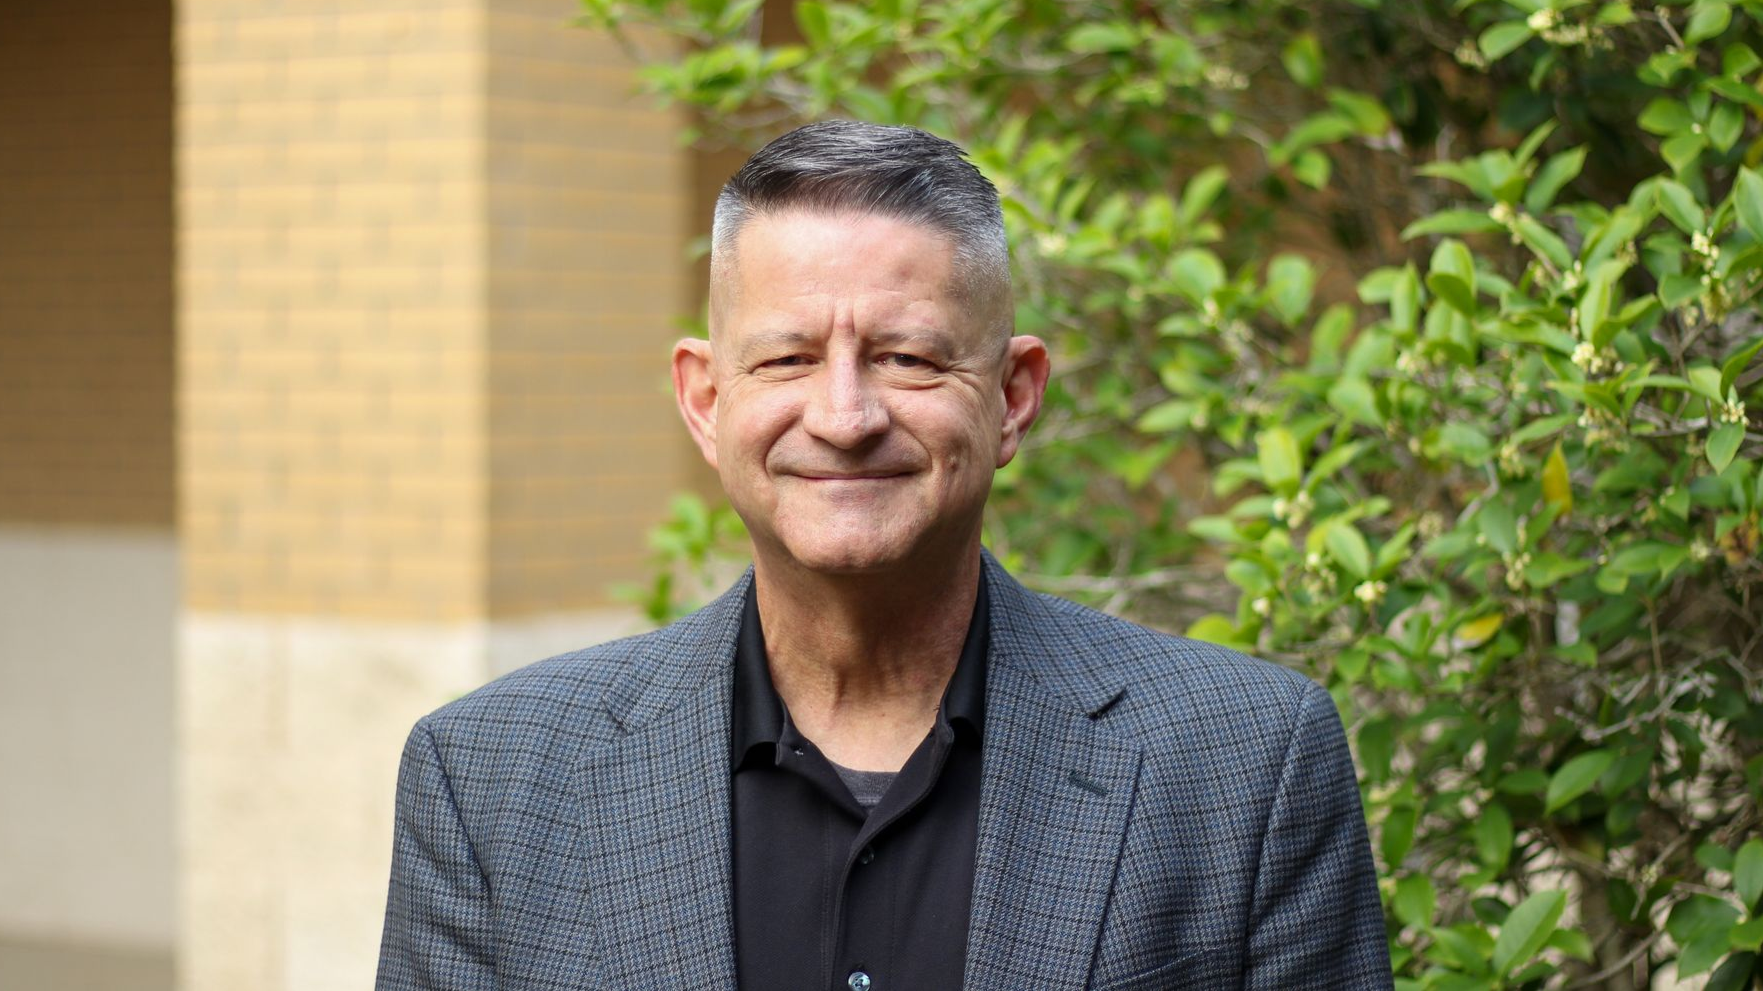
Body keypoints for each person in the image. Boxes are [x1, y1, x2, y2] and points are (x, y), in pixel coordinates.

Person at [375, 120, 1392, 991]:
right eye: (787, 357)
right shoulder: (490, 779)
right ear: (706, 398)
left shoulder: (1245, 763)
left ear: (1013, 396)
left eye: (906, 357)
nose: (844, 415)